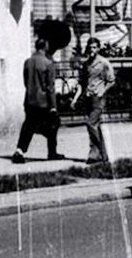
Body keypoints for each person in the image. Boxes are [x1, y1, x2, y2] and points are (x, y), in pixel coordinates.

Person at [11, 36, 62, 164]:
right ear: (46, 47)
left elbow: (25, 82)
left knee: (29, 124)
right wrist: (54, 106)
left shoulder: (27, 62)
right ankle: (51, 152)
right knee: (53, 123)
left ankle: (21, 150)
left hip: (29, 100)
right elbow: (50, 87)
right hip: (43, 101)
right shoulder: (48, 64)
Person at [71, 37, 115, 163]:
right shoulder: (86, 64)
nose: (92, 50)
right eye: (90, 47)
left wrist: (103, 90)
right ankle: (98, 155)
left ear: (98, 48)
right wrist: (75, 99)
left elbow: (111, 80)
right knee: (95, 127)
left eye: (95, 47)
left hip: (98, 98)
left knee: (90, 124)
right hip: (88, 98)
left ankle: (100, 152)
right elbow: (82, 83)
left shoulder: (103, 63)